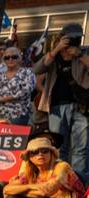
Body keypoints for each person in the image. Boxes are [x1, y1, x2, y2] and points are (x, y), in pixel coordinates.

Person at [33, 23, 89, 182]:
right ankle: (59, 180)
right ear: (61, 37)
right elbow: (36, 69)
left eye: (76, 38)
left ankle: (79, 183)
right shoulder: (54, 55)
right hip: (57, 106)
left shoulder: (85, 52)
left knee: (81, 148)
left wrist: (79, 55)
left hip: (81, 107)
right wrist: (56, 49)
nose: (72, 41)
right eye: (69, 38)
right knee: (58, 147)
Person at [0, 47, 35, 126]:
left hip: (16, 112)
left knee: (11, 128)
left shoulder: (27, 72)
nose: (10, 59)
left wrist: (0, 99)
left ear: (20, 58)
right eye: (7, 58)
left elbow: (25, 92)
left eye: (14, 57)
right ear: (4, 60)